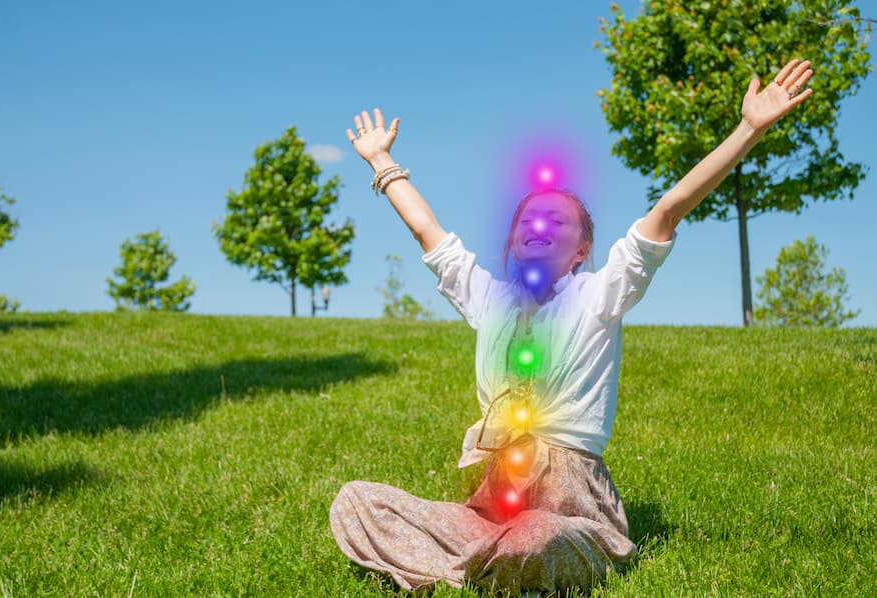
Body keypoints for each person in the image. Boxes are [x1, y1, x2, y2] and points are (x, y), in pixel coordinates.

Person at [329, 59, 814, 595]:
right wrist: (382, 160)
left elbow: (670, 209)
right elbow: (427, 231)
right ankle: (488, 563)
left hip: (570, 509)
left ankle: (485, 566)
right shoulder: (489, 298)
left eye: (557, 220)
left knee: (535, 538)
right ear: (514, 242)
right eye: (528, 220)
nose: (539, 226)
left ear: (581, 250)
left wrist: (748, 130)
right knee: (356, 501)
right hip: (492, 506)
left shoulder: (599, 295)